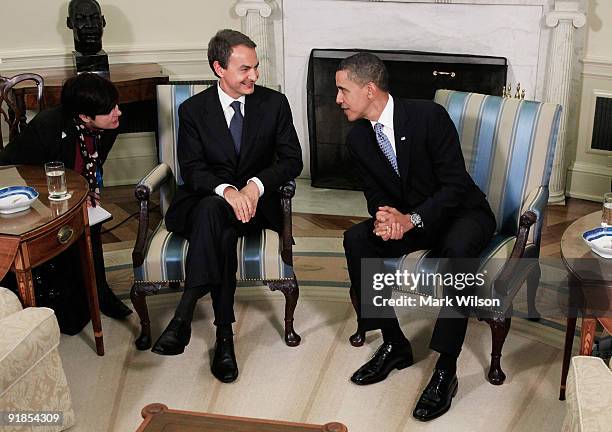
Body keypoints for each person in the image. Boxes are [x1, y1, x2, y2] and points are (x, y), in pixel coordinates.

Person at [336, 53, 496, 421]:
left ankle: (445, 369)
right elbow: (375, 194)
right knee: (357, 240)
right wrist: (385, 218)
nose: (339, 99)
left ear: (370, 89)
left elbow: (455, 186)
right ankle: (394, 344)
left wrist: (411, 219)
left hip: (462, 213)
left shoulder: (428, 117)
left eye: (344, 90)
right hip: (412, 221)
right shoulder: (358, 138)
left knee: (457, 252)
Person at [151, 29, 303, 383]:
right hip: (207, 199)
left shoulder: (273, 104)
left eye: (256, 67)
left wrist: (254, 186)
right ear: (218, 68)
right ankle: (223, 337)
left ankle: (184, 317)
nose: (254, 76)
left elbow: (292, 160)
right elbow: (191, 170)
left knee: (214, 220)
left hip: (256, 207)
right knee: (213, 214)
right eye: (244, 69)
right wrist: (227, 191)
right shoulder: (192, 110)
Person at [0, 73, 132, 327]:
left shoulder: (110, 123)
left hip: (75, 190)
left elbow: (94, 160)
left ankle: (101, 293)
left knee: (92, 226)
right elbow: (15, 170)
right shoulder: (47, 127)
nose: (119, 112)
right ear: (84, 116)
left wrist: (89, 189)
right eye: (110, 109)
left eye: (116, 105)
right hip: (31, 200)